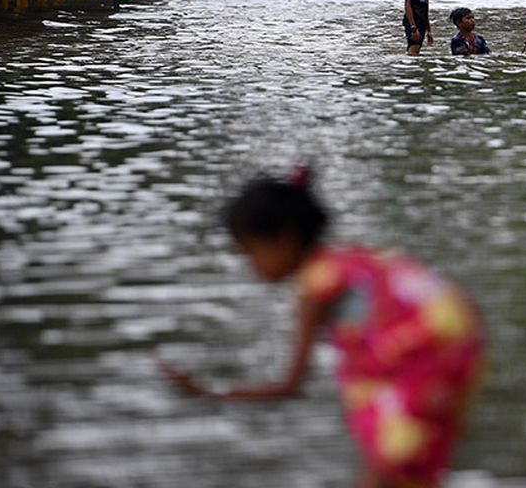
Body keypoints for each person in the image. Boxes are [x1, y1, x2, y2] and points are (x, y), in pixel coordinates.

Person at [160, 171, 484, 488]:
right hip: (453, 342)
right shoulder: (346, 260)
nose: (252, 266)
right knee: (406, 472)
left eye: (251, 252)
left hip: (423, 356)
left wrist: (210, 392)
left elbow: (289, 385)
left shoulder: (317, 289)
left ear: (284, 239)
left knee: (385, 471)